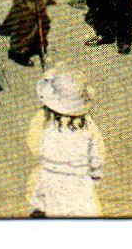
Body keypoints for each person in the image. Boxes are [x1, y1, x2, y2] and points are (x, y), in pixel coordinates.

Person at [26, 68, 107, 217]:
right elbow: (98, 159)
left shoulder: (43, 122)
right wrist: (93, 178)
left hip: (52, 187)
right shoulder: (88, 128)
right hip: (81, 189)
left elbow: (35, 148)